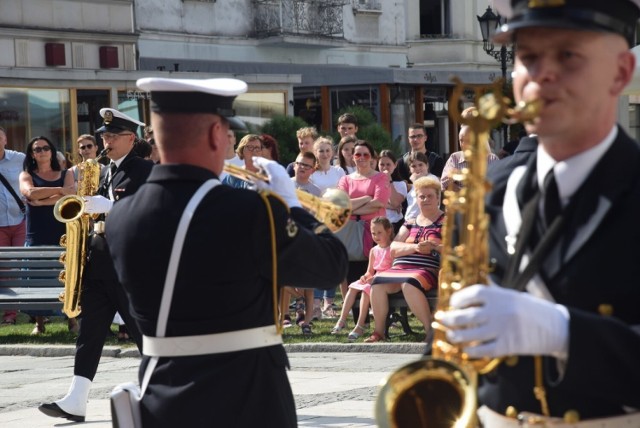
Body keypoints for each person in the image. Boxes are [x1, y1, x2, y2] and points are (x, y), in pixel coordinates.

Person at [437, 1, 640, 426]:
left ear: (621, 73)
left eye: (568, 55)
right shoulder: (486, 193)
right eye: (528, 57)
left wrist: (566, 332)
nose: (541, 74)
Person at [105, 76, 347, 427]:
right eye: (229, 135)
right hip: (245, 400)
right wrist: (291, 206)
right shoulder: (249, 211)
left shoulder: (121, 217)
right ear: (216, 135)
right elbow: (330, 266)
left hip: (161, 399)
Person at [38, 108, 153, 423]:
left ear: (131, 138)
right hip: (99, 264)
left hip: (128, 268)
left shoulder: (145, 170)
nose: (107, 141)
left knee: (145, 335)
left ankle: (173, 391)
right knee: (89, 334)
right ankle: (76, 399)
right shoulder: (103, 171)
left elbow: (150, 212)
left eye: (113, 136)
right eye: (104, 135)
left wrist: (112, 207)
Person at [367, 176, 443, 344]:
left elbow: (454, 248)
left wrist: (435, 247)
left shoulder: (447, 221)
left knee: (409, 283)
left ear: (438, 198)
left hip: (426, 270)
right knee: (378, 282)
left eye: (430, 196)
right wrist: (416, 248)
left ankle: (430, 331)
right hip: (400, 268)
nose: (425, 199)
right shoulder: (410, 223)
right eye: (421, 196)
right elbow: (393, 248)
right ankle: (378, 332)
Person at [19, 136, 75, 335]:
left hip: (62, 231)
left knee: (67, 277)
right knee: (37, 277)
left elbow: (71, 196)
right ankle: (39, 322)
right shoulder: (26, 174)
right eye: (37, 149)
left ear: (51, 151)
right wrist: (60, 191)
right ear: (32, 154)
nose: (41, 151)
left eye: (45, 148)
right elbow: (30, 193)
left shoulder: (66, 172)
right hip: (36, 233)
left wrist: (43, 202)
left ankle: (72, 319)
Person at [337, 140, 391, 313]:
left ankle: (380, 315)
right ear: (352, 157)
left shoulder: (381, 177)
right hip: (351, 232)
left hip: (376, 232)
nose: (361, 158)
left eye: (365, 154)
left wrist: (353, 209)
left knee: (376, 275)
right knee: (353, 275)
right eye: (357, 154)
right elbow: (340, 205)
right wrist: (366, 198)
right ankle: (358, 319)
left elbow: (379, 202)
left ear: (372, 157)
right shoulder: (345, 179)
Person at [331, 216, 393, 341]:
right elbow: (370, 271)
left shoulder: (392, 249)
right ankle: (342, 320)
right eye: (373, 233)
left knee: (366, 290)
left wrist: (373, 278)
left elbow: (392, 270)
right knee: (352, 287)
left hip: (384, 280)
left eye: (379, 233)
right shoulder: (374, 250)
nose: (376, 236)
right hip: (374, 278)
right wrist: (365, 276)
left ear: (389, 231)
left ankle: (360, 325)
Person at [0, 127, 26, 326]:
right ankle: (9, 313)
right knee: (4, 268)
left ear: (5, 139)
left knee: (18, 266)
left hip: (19, 220)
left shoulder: (19, 159)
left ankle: (19, 312)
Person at [441, 124, 499, 192]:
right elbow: (444, 183)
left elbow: (498, 183)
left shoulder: (492, 159)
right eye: (461, 140)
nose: (463, 144)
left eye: (468, 140)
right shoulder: (454, 158)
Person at [378, 149, 407, 234]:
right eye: (382, 164)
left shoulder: (401, 184)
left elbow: (395, 202)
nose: (385, 167)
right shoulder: (374, 182)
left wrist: (389, 181)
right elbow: (372, 201)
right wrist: (391, 207)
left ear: (395, 165)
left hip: (395, 224)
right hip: (378, 223)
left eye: (388, 164)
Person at [404, 152, 439, 221]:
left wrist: (415, 181)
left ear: (427, 165)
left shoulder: (432, 178)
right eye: (413, 166)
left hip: (425, 221)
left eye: (420, 165)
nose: (417, 168)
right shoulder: (413, 182)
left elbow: (424, 194)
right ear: (409, 169)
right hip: (409, 220)